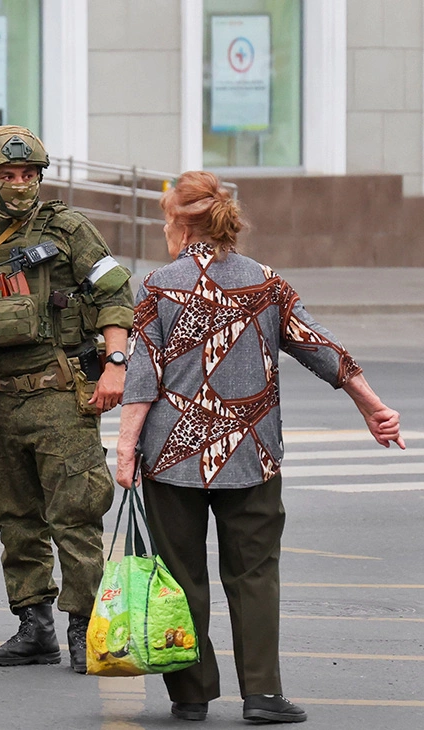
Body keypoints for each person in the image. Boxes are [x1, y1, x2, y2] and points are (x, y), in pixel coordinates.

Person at [116, 171, 405, 724]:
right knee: (254, 573)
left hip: (171, 457)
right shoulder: (266, 282)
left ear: (178, 222)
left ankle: (191, 694)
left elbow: (142, 376)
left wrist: (127, 447)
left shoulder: (157, 284)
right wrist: (372, 405)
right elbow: (318, 345)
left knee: (180, 574)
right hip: (252, 452)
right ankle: (263, 695)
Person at [0, 125, 135, 673]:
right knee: (15, 518)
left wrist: (115, 363)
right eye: (8, 176)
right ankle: (34, 625)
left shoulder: (68, 230)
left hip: (59, 395)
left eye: (28, 175)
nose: (20, 184)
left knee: (76, 515)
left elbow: (114, 292)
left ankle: (87, 629)